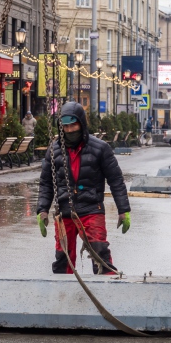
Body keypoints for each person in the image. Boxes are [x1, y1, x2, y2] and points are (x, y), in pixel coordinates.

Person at [37, 102, 131, 274]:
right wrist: (42, 209)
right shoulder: (54, 151)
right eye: (65, 126)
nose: (70, 130)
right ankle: (62, 294)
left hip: (91, 208)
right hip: (65, 210)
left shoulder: (100, 148)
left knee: (99, 252)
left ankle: (106, 291)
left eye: (73, 125)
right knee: (63, 257)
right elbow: (46, 183)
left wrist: (123, 210)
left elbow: (116, 180)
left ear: (82, 123)